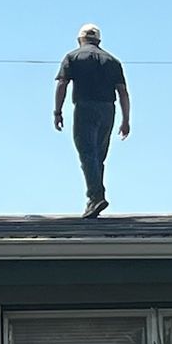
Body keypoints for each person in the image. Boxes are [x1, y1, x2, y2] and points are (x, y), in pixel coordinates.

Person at [53, 22, 130, 217]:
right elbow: (123, 92)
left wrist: (58, 111)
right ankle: (95, 198)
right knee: (99, 156)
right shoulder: (113, 61)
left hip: (85, 107)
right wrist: (126, 120)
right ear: (99, 40)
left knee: (87, 153)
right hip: (107, 109)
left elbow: (62, 84)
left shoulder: (73, 57)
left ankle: (95, 196)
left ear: (80, 40)